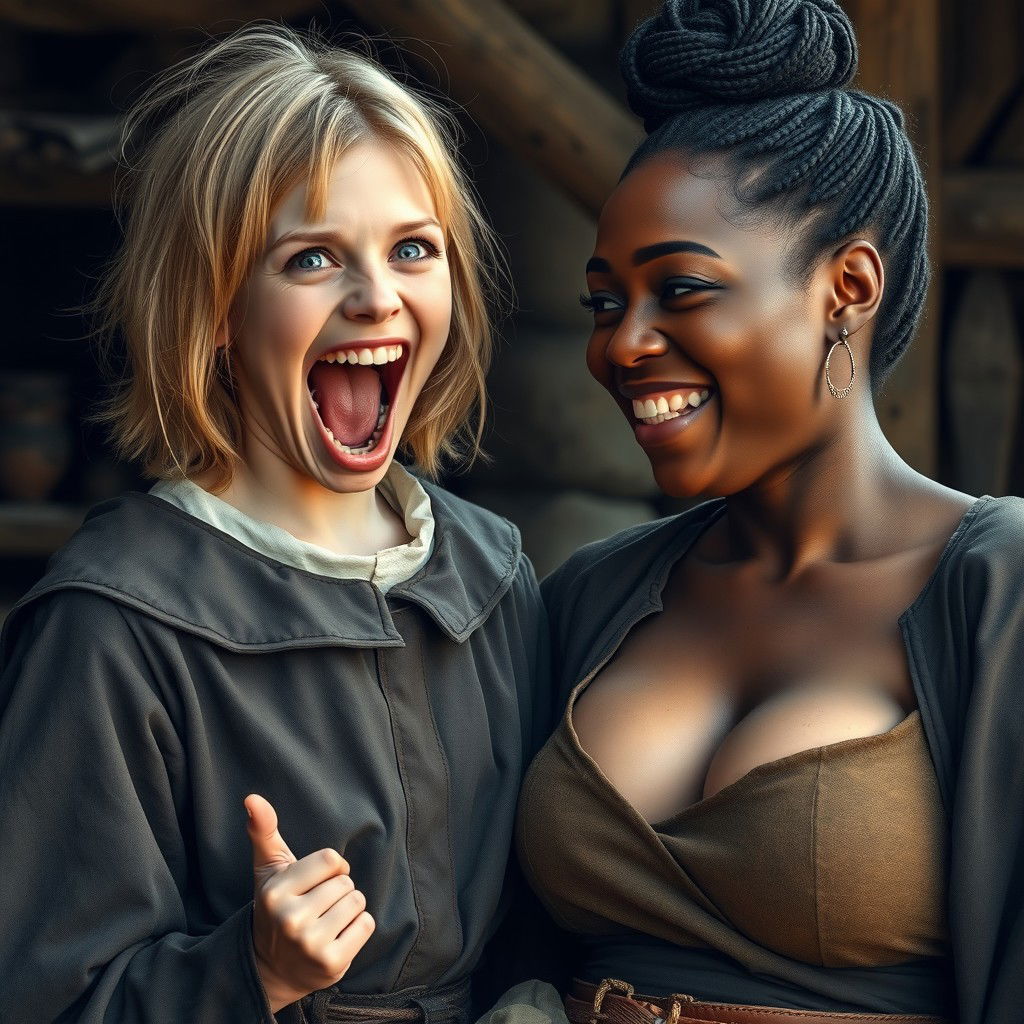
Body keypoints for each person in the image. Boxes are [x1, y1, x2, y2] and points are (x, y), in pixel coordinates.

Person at [0, 24, 551, 1024]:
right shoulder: (111, 625)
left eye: (413, 249)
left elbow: (545, 920)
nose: (376, 298)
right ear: (213, 306)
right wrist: (245, 971)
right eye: (312, 259)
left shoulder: (490, 573)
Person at [488, 2, 1023, 1023]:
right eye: (605, 303)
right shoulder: (593, 596)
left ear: (847, 287)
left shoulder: (994, 585)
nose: (622, 344)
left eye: (682, 289)